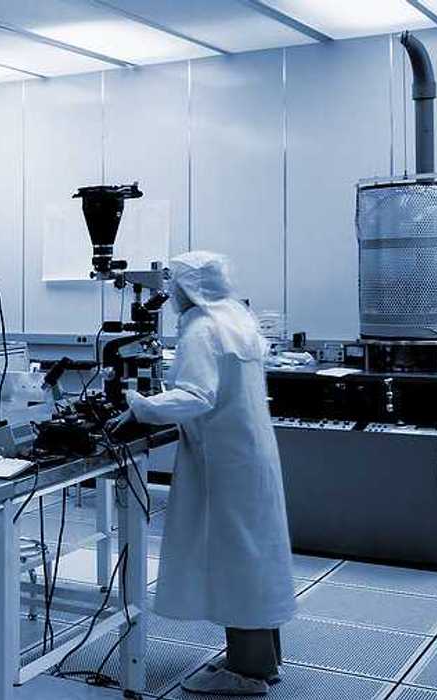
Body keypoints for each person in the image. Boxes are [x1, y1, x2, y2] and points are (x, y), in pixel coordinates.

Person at [112, 251, 297, 696]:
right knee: (255, 556)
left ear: (188, 288)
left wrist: (140, 406)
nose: (168, 293)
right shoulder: (238, 319)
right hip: (249, 455)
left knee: (236, 560)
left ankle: (247, 674)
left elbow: (195, 395)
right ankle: (262, 660)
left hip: (226, 463)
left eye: (172, 285)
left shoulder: (201, 328)